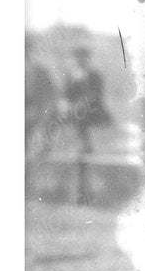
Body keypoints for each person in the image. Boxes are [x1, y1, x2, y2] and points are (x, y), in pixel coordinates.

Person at [60, 44, 113, 201]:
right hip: (76, 116)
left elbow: (96, 97)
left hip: (93, 113)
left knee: (80, 120)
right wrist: (66, 106)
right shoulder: (70, 76)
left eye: (83, 58)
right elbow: (65, 96)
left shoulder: (94, 76)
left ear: (87, 59)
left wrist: (79, 106)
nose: (79, 60)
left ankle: (83, 144)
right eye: (77, 58)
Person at [25, 37, 58, 160]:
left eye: (27, 51)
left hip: (37, 113)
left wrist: (40, 114)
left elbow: (50, 98)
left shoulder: (40, 72)